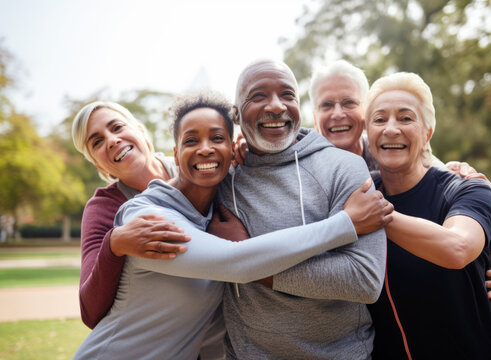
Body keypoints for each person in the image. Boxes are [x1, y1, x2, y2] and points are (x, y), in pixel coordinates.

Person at [73, 90, 382, 360]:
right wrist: (344, 224)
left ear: (233, 147)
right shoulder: (144, 218)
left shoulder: (216, 204)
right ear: (176, 152)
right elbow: (238, 262)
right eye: (192, 140)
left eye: (217, 138)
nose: (206, 148)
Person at [215, 59, 388, 359]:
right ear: (236, 114)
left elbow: (364, 279)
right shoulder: (220, 180)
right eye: (259, 96)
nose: (277, 106)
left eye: (287, 95)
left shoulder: (345, 168)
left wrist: (248, 262)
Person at [308, 59, 491, 301]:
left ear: (364, 114)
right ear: (314, 116)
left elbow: (456, 225)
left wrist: (480, 257)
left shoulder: (394, 153)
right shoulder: (300, 169)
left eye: (349, 103)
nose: (337, 113)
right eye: (326, 105)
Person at [360, 72, 491, 359]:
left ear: (428, 132)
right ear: (368, 133)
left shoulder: (469, 188)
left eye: (406, 118)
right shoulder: (356, 191)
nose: (391, 129)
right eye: (379, 119)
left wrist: (376, 214)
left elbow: (457, 248)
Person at [72, 101, 190, 329]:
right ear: (98, 165)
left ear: (140, 130)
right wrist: (114, 245)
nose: (112, 140)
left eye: (117, 127)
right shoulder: (103, 207)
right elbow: (89, 311)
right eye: (97, 141)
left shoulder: (190, 166)